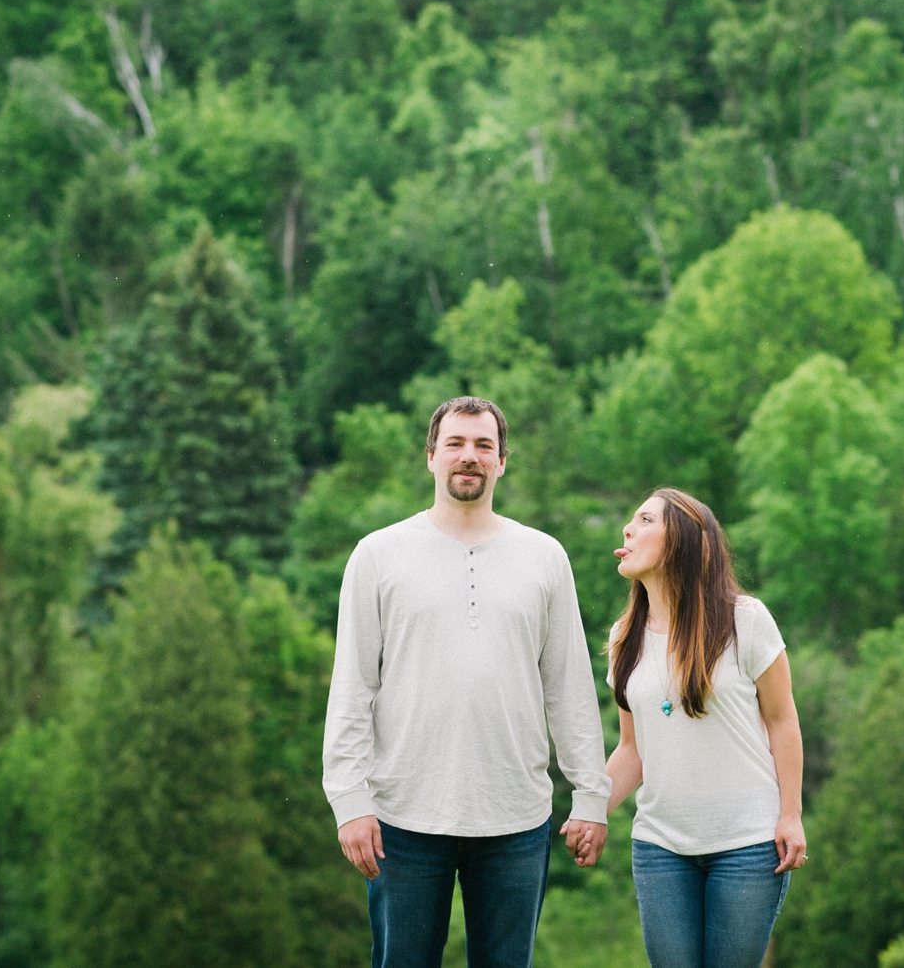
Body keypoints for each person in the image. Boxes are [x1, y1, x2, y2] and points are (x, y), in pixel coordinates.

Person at [323, 396, 612, 968]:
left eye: (483, 446)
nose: (469, 457)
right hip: (401, 817)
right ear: (431, 456)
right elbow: (354, 685)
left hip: (515, 817)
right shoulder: (378, 555)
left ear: (503, 461)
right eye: (455, 444)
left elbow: (570, 688)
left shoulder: (545, 558)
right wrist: (348, 799)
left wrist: (592, 796)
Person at [596, 487, 807, 968]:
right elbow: (632, 750)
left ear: (683, 542)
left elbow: (782, 720)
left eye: (646, 520)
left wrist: (790, 814)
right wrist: (591, 810)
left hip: (748, 846)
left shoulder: (745, 621)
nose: (628, 528)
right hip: (660, 848)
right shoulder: (624, 636)